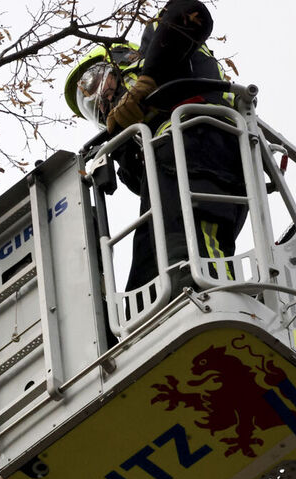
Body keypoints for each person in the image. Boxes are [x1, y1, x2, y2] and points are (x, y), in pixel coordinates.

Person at [64, 0, 246, 292]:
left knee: (194, 249)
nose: (98, 99)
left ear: (119, 62)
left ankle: (217, 296)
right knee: (149, 271)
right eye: (88, 103)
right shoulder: (131, 133)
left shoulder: (159, 43)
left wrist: (146, 81)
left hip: (204, 141)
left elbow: (191, 13)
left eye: (94, 82)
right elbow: (137, 180)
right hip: (167, 172)